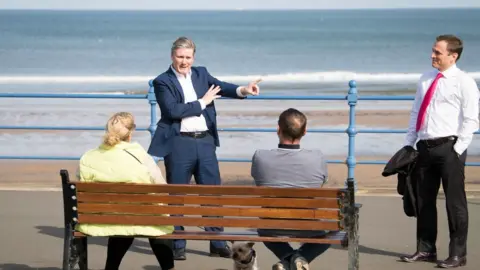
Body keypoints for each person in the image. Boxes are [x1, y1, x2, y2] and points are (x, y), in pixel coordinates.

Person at [147, 36, 261, 260]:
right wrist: (203, 102)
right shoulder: (162, 81)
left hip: (206, 141)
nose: (184, 61)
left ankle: (217, 242)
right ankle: (178, 243)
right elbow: (172, 111)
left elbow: (223, 88)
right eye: (180, 57)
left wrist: (244, 90)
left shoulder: (201, 73)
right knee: (177, 194)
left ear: (194, 57)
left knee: (212, 192)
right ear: (172, 56)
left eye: (188, 57)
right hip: (179, 143)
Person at [400, 35, 479, 268]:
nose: (432, 55)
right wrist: (409, 143)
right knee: (424, 201)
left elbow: (471, 118)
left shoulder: (464, 82)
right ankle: (426, 250)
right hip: (424, 147)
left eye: (438, 52)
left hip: (449, 148)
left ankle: (457, 254)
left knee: (455, 204)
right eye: (433, 51)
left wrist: (457, 148)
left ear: (453, 56)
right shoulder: (425, 79)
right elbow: (416, 112)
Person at [76, 112, 175, 270]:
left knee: (122, 219)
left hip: (99, 219)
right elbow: (161, 186)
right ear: (131, 132)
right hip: (138, 216)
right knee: (154, 222)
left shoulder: (88, 157)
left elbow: (81, 185)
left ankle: (111, 267)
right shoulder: (139, 155)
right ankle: (168, 268)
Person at [251, 108, 330, 270]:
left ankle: (287, 259)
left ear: (278, 129)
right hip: (308, 225)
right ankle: (300, 258)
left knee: (265, 230)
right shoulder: (317, 157)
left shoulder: (260, 156)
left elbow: (258, 180)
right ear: (305, 131)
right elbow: (320, 183)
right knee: (331, 233)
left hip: (271, 226)